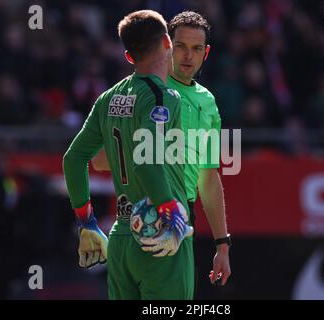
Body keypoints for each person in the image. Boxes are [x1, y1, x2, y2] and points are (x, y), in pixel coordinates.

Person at [92, 11, 231, 288]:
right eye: (180, 46)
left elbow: (208, 176)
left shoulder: (208, 102)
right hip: (143, 215)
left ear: (207, 52)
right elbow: (100, 161)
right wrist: (152, 154)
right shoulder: (145, 91)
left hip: (178, 223)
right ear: (166, 43)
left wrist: (222, 244)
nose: (187, 56)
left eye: (196, 49)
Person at [63, 10, 194, 300]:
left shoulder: (108, 98)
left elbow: (74, 159)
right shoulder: (164, 97)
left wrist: (87, 223)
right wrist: (171, 213)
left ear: (129, 56)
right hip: (159, 237)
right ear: (167, 43)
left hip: (122, 238)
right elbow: (144, 162)